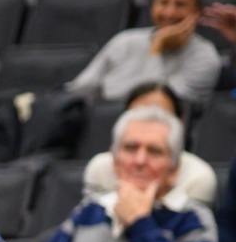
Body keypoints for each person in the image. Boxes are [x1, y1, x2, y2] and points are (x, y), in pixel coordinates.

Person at [30, 105, 220, 242]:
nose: (140, 161)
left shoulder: (192, 217)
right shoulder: (91, 209)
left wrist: (140, 224)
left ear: (174, 170)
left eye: (154, 151)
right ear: (115, 162)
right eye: (131, 148)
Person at [67, 0, 222, 100]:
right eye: (163, 2)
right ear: (153, 5)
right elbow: (77, 92)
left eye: (180, 4)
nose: (169, 12)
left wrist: (156, 48)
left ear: (198, 11)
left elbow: (149, 106)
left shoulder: (205, 58)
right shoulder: (124, 42)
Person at [83, 80, 220, 206]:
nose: (140, 160)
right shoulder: (99, 168)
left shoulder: (198, 177)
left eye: (162, 117)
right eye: (138, 115)